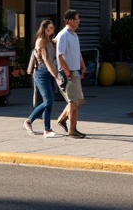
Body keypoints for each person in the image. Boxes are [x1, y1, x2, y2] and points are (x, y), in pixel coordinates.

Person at [54, 9, 87, 139]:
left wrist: (82, 66)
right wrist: (67, 72)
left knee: (79, 100)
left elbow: (77, 53)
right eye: (76, 18)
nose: (79, 21)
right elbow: (60, 55)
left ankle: (62, 119)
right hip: (67, 72)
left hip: (75, 70)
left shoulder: (74, 35)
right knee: (74, 102)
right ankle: (72, 130)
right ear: (69, 21)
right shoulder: (63, 35)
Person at [25, 18, 60, 138]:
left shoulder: (51, 41)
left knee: (49, 102)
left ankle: (47, 129)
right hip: (41, 74)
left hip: (50, 73)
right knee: (48, 101)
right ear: (43, 29)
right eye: (48, 28)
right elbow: (45, 59)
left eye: (52, 28)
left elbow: (54, 59)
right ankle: (29, 121)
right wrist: (55, 74)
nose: (50, 30)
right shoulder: (40, 41)